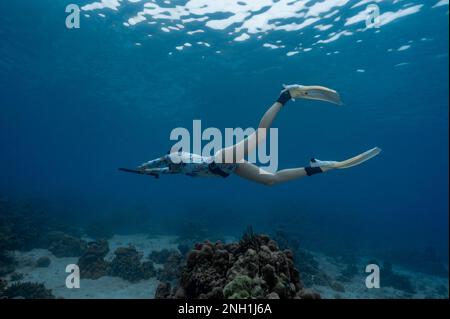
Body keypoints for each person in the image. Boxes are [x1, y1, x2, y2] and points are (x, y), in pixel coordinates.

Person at [119, 84, 381, 186]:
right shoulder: (174, 169)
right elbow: (162, 170)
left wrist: (142, 168)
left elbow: (159, 162)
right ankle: (319, 167)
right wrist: (148, 173)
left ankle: (285, 95)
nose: (171, 162)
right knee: (271, 180)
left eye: (171, 160)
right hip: (227, 169)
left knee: (259, 136)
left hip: (219, 160)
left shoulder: (173, 157)